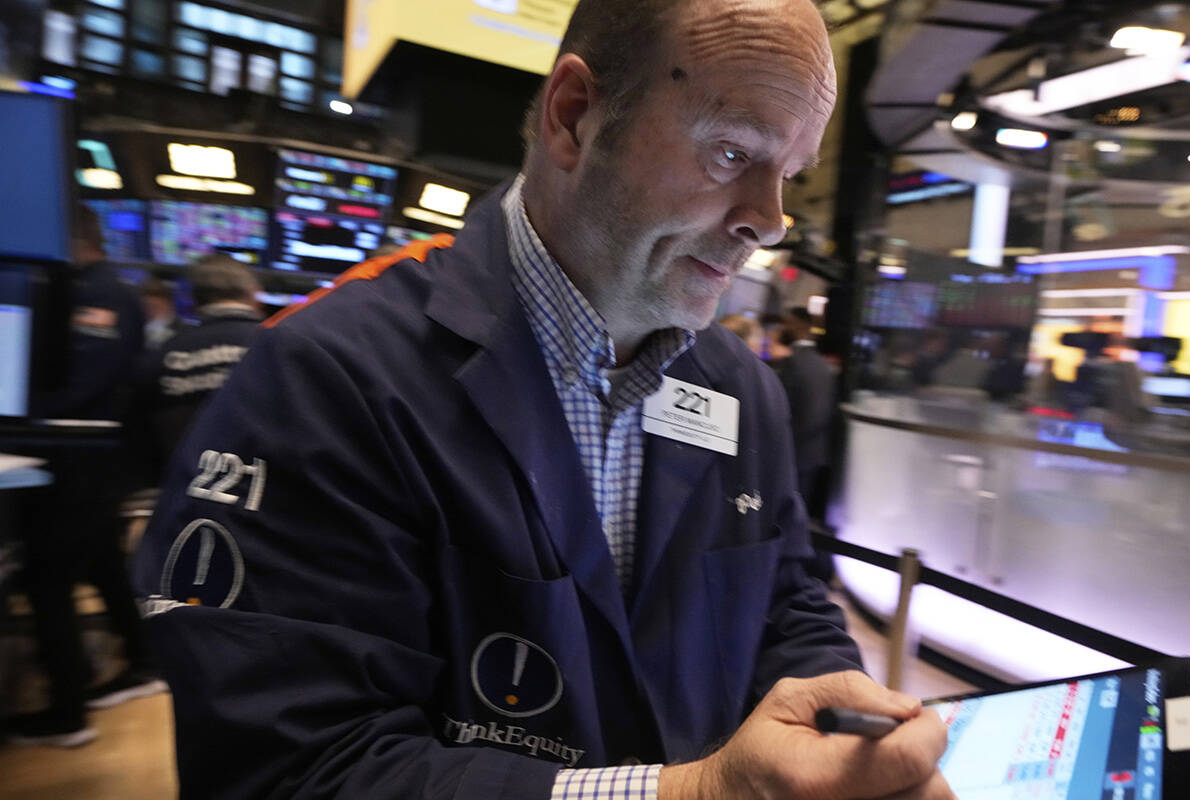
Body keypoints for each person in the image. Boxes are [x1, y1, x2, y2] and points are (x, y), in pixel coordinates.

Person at [133, 1, 953, 797]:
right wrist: (691, 795)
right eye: (733, 154)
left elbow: (785, 601)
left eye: (793, 176)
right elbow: (295, 768)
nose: (770, 222)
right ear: (573, 116)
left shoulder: (743, 389)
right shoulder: (330, 378)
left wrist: (847, 737)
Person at [8, 205, 165, 747]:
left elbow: (82, 386)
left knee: (48, 580)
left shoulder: (102, 294)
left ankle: (68, 710)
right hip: (88, 464)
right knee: (102, 566)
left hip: (80, 462)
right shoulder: (94, 289)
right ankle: (143, 659)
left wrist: (17, 418)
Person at [140, 254, 263, 478]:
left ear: (193, 300)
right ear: (252, 293)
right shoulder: (277, 346)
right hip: (257, 494)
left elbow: (138, 433)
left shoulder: (166, 353)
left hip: (179, 487)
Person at [773, 308, 836, 509]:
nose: (783, 328)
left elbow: (785, 408)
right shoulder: (820, 363)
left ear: (798, 325)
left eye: (787, 323)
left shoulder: (795, 362)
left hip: (794, 452)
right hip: (813, 452)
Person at [140, 276, 188, 351]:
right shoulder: (137, 327)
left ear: (169, 303)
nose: (150, 311)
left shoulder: (183, 331)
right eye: (147, 306)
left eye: (155, 307)